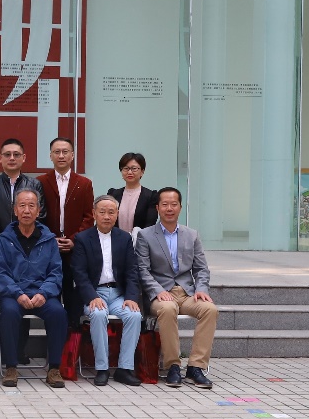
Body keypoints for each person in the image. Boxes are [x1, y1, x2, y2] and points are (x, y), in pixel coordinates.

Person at [135, 187, 217, 389]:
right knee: (168, 308)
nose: (169, 208)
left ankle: (196, 367)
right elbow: (142, 270)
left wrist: (201, 289)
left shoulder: (192, 235)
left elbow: (201, 268)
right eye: (165, 204)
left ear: (180, 207)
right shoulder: (146, 235)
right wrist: (158, 291)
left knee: (209, 310)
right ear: (157, 208)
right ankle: (172, 365)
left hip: (187, 293)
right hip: (159, 295)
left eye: (174, 204)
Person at [0, 189, 67, 389]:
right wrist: (17, 294)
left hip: (42, 294)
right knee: (8, 312)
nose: (26, 210)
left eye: (31, 206)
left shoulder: (48, 239)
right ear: (15, 210)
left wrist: (44, 293)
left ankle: (54, 368)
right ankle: (11, 367)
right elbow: (0, 272)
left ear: (38, 211)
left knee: (58, 313)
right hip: (14, 295)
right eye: (22, 206)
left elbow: (56, 272)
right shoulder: (5, 239)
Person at [71, 195, 142, 387]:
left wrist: (131, 297)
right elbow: (79, 273)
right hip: (95, 292)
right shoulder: (83, 238)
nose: (107, 216)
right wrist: (92, 296)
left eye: (111, 212)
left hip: (118, 294)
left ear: (117, 214)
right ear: (94, 214)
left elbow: (132, 271)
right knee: (98, 314)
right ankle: (102, 368)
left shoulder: (124, 238)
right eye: (102, 212)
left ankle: (124, 368)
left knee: (134, 316)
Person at [37, 137, 94, 325]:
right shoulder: (40, 182)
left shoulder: (84, 183)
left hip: (74, 250)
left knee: (73, 300)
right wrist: (49, 239)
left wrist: (74, 239)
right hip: (48, 248)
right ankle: (53, 339)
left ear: (72, 155)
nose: (61, 156)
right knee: (50, 299)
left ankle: (72, 339)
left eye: (65, 152)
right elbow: (37, 216)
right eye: (57, 152)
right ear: (50, 156)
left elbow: (89, 217)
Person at [0, 138, 46, 254]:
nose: (12, 158)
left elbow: (40, 215)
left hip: (28, 247)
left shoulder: (35, 185)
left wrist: (25, 240)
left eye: (16, 154)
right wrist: (1, 240)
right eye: (7, 154)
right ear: (0, 158)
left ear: (24, 158)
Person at [107, 152, 158, 233]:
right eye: (126, 168)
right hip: (116, 239)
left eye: (134, 168)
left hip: (141, 240)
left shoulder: (151, 196)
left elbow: (150, 224)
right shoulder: (113, 194)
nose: (129, 172)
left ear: (142, 171)